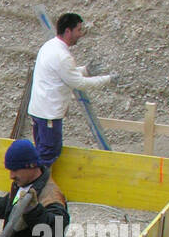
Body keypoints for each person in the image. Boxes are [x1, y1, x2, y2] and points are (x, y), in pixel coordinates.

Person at [27, 12, 117, 167]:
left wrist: (85, 70)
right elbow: (78, 82)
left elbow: (63, 73)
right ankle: (37, 188)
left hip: (39, 111)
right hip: (49, 115)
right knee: (48, 154)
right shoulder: (62, 55)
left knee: (41, 152)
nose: (80, 34)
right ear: (68, 31)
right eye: (78, 30)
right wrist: (108, 79)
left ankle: (35, 187)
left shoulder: (49, 46)